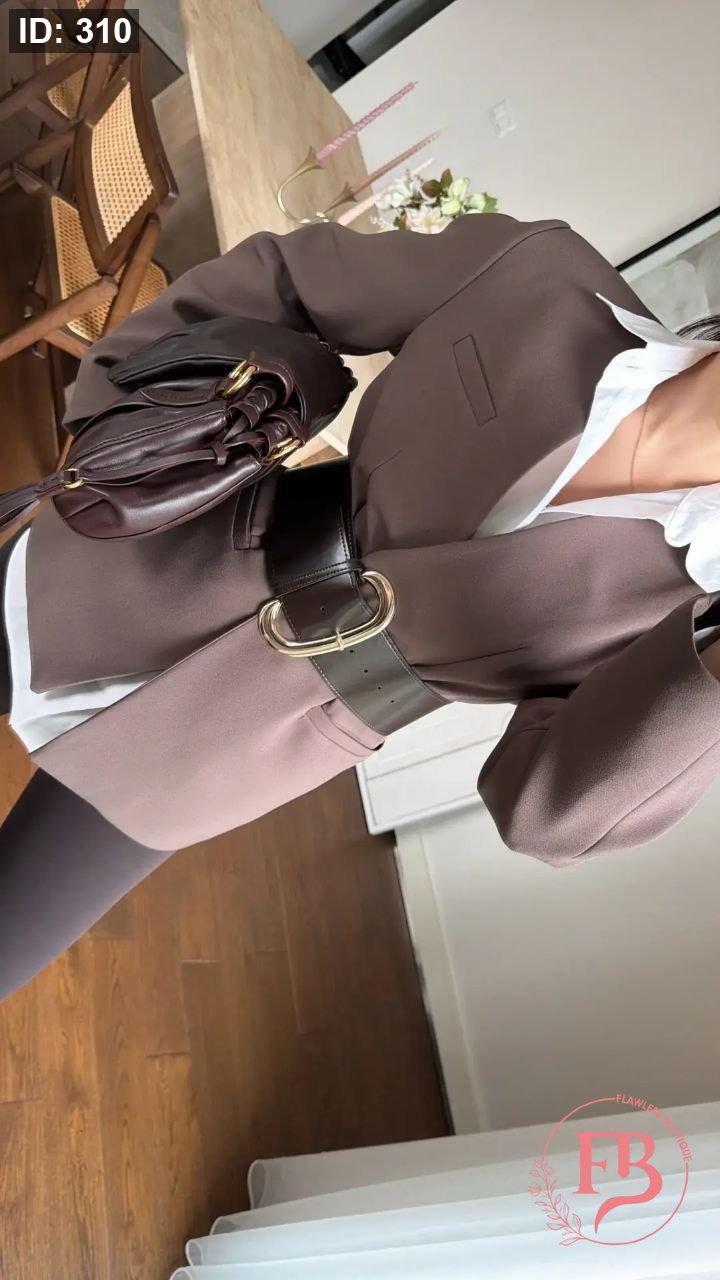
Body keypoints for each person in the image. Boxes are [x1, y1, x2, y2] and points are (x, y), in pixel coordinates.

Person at [2, 209, 720, 1002]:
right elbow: (286, 277)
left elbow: (547, 815)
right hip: (145, 563)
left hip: (240, 740)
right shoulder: (543, 277)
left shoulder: (686, 621)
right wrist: (115, 406)